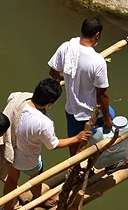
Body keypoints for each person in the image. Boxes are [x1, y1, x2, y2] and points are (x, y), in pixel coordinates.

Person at [3, 79, 91, 210]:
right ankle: (37, 199)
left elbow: (11, 100)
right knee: (36, 177)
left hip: (10, 149)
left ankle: (7, 208)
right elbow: (53, 145)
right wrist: (76, 138)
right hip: (28, 158)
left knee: (12, 179)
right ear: (49, 104)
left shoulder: (18, 97)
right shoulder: (43, 123)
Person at [48, 17, 112, 155]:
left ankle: (74, 164)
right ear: (97, 35)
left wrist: (65, 76)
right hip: (91, 113)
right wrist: (107, 119)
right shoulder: (97, 61)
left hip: (71, 110)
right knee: (106, 129)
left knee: (74, 140)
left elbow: (53, 71)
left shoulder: (66, 47)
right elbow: (102, 95)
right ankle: (106, 162)